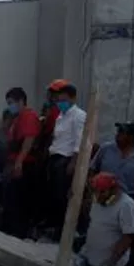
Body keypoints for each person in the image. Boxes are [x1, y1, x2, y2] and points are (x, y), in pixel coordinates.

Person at [45, 80, 86, 237]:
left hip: (66, 159)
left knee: (65, 197)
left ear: (72, 99)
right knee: (55, 196)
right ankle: (59, 229)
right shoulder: (61, 116)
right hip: (55, 158)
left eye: (63, 100)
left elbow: (79, 141)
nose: (60, 103)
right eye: (58, 100)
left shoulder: (78, 116)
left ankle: (71, 231)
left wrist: (73, 162)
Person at [0, 87, 44, 238]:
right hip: (15, 161)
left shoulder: (28, 116)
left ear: (21, 101)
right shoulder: (17, 117)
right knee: (11, 198)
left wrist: (19, 163)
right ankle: (11, 229)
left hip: (24, 164)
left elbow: (28, 140)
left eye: (11, 102)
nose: (9, 106)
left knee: (19, 200)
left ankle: (18, 232)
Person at [90, 123, 134, 214]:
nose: (117, 134)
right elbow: (92, 169)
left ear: (131, 137)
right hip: (103, 197)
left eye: (122, 132)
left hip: (127, 199)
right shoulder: (106, 149)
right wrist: (92, 191)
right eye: (118, 131)